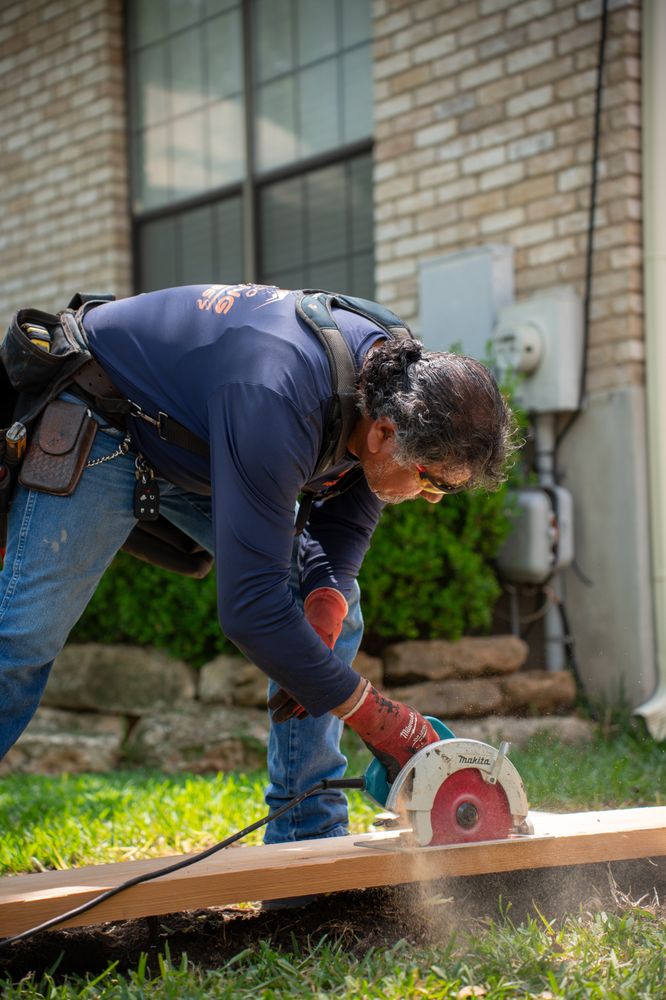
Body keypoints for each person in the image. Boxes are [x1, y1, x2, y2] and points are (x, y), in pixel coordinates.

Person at [0, 282, 515, 845]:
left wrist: (324, 599)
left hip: (204, 437)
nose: (433, 497)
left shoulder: (393, 379)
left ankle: (305, 834)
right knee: (24, 638)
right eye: (432, 481)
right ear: (385, 433)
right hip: (106, 414)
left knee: (339, 610)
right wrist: (377, 718)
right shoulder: (280, 394)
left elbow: (347, 509)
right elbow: (250, 608)